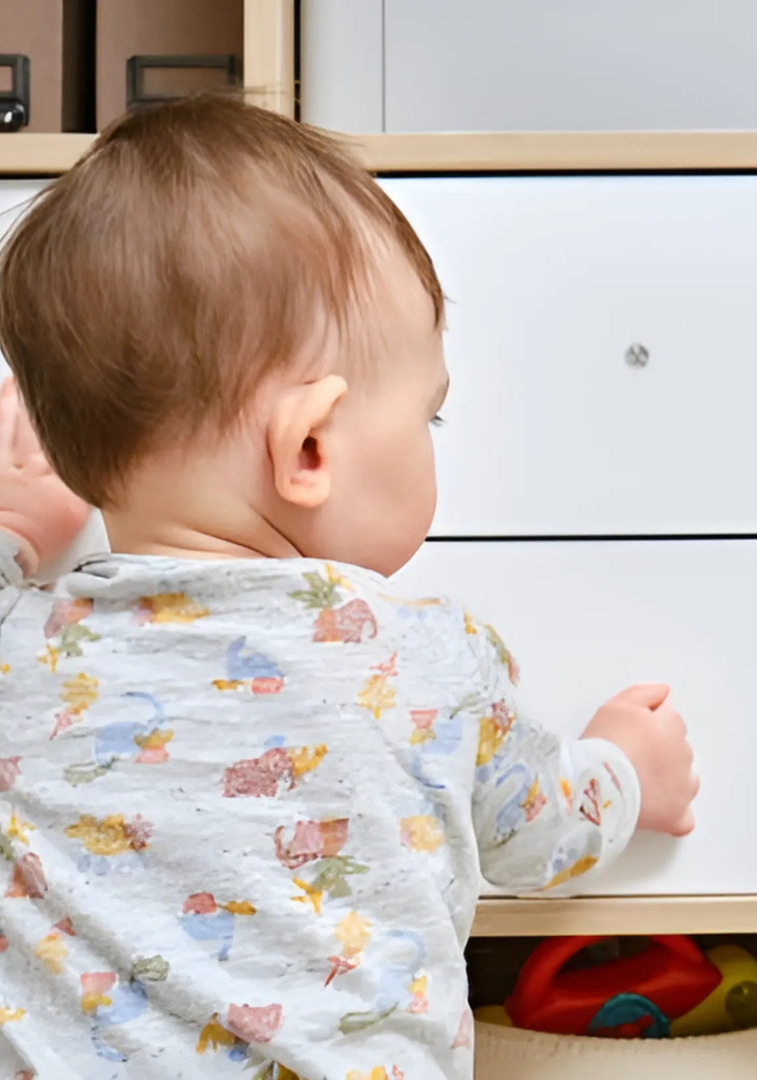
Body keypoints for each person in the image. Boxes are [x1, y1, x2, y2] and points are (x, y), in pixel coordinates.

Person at [0, 96, 697, 1080]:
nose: (432, 441)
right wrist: (630, 771)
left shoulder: (21, 651)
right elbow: (543, 830)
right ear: (312, 448)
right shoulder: (427, 659)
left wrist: (18, 528)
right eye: (431, 419)